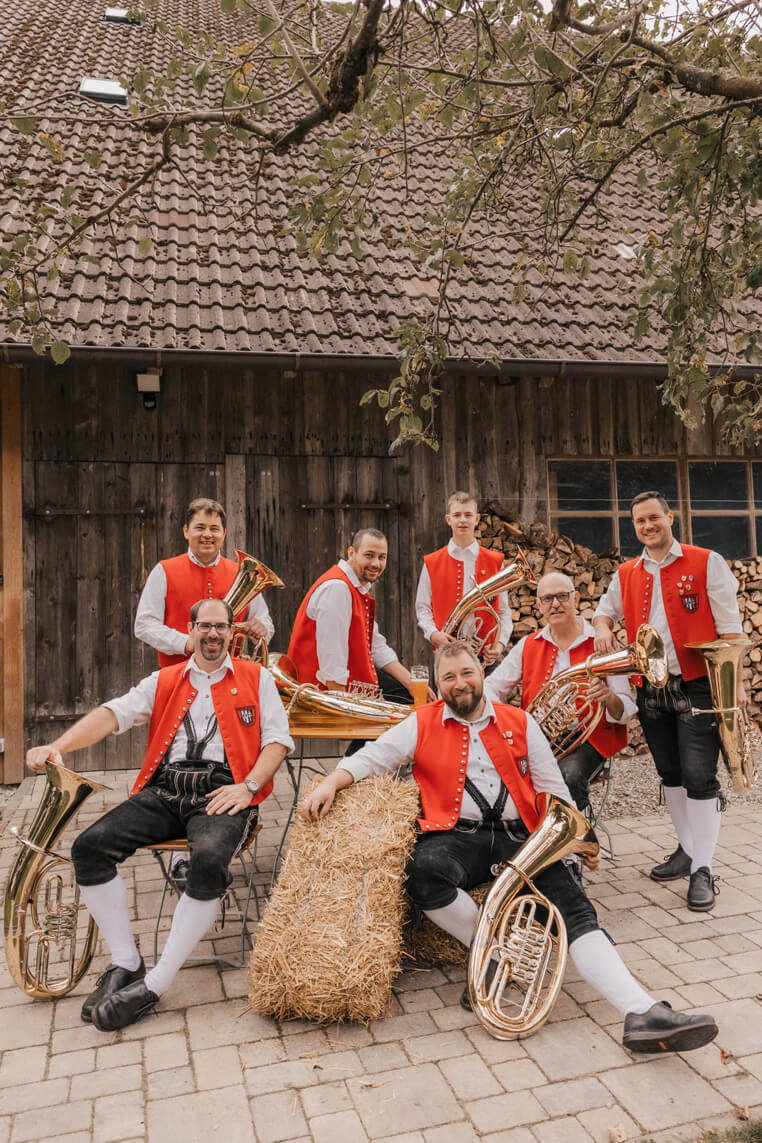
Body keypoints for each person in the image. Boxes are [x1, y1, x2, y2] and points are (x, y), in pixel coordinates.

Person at [300, 641, 718, 1053]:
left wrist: (576, 845)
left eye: (466, 673)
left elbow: (555, 790)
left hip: (524, 837)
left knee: (575, 911)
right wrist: (330, 783)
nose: (459, 684)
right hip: (456, 836)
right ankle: (493, 954)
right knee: (422, 871)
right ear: (439, 685)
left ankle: (642, 1011)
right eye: (448, 677)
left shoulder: (520, 721)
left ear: (482, 674)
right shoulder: (421, 722)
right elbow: (370, 758)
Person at [26, 597, 293, 1031]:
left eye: (220, 627)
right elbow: (113, 714)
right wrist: (61, 746)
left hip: (224, 793)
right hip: (165, 790)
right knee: (89, 848)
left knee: (206, 863)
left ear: (231, 633)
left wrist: (247, 788)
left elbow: (278, 742)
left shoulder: (257, 678)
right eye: (204, 626)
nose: (212, 634)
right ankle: (126, 963)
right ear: (190, 631)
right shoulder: (165, 679)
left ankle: (156, 983)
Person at [593, 491, 745, 911]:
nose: (647, 526)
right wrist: (604, 626)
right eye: (639, 521)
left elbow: (730, 628)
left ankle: (703, 869)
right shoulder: (626, 572)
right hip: (650, 687)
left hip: (697, 683)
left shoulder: (706, 560)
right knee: (671, 774)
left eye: (654, 518)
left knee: (699, 777)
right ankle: (686, 848)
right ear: (634, 526)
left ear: (670, 517)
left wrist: (733, 688)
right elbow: (604, 611)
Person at [484, 571, 636, 811]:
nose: (555, 604)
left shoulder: (602, 643)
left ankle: (575, 839)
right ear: (538, 605)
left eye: (562, 596)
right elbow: (490, 688)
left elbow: (626, 709)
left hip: (588, 741)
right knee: (496, 767)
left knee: (569, 775)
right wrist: (509, 719)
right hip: (539, 737)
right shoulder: (528, 645)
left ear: (576, 600)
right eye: (547, 599)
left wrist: (608, 697)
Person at [288, 527, 428, 705]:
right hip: (320, 697)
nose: (376, 564)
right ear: (351, 553)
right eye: (369, 555)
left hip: (350, 689)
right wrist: (344, 712)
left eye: (381, 557)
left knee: (409, 697)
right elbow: (332, 658)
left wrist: (411, 683)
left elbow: (376, 646)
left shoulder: (355, 588)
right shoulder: (337, 588)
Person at [135, 497, 274, 667]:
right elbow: (144, 624)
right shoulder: (163, 571)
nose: (207, 534)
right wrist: (185, 643)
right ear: (186, 531)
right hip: (177, 676)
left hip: (230, 677)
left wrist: (261, 628)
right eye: (200, 528)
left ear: (223, 534)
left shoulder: (243, 575)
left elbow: (265, 622)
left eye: (214, 529)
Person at [416, 491, 512, 670]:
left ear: (476, 519)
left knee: (487, 698)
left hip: (485, 658)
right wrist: (433, 634)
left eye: (468, 515)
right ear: (448, 519)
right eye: (457, 515)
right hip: (446, 652)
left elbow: (504, 611)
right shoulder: (432, 562)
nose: (462, 520)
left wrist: (500, 645)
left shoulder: (495, 561)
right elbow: (422, 607)